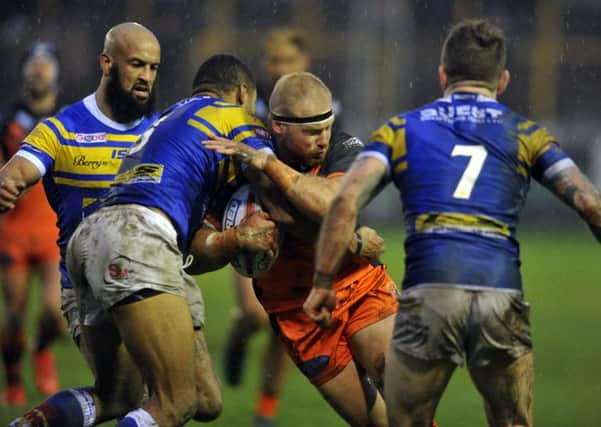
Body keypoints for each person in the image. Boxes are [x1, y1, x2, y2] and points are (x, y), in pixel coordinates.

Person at [306, 18, 601, 427]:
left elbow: (344, 203)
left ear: (443, 74)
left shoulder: (402, 129)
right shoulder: (526, 133)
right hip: (499, 293)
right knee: (514, 421)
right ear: (503, 81)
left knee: (406, 420)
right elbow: (590, 204)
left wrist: (322, 282)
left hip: (431, 291)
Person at [16, 53, 277, 427]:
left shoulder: (170, 121)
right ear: (240, 94)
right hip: (136, 239)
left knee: (187, 399)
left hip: (95, 240)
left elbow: (189, 250)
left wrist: (230, 240)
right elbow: (276, 180)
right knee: (176, 403)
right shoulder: (232, 117)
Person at [0, 22, 184, 427]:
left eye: (153, 68)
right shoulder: (62, 128)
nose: (146, 78)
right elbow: (21, 168)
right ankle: (17, 378)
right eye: (137, 65)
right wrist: (8, 181)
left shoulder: (160, 132)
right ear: (106, 63)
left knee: (197, 401)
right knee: (163, 400)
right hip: (88, 289)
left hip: (149, 276)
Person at [202, 71, 401, 427]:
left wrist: (268, 168)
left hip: (357, 285)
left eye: (327, 127)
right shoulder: (236, 164)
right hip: (297, 312)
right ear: (277, 126)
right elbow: (199, 252)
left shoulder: (344, 148)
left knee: (405, 400)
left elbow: (331, 205)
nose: (323, 139)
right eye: (311, 132)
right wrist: (233, 239)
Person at [0, 42, 64, 406]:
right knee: (13, 314)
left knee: (54, 314)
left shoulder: (67, 121)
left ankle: (42, 352)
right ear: (23, 72)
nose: (39, 70)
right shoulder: (6, 121)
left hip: (52, 231)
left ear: (56, 74)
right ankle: (12, 381)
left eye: (46, 64)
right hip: (13, 233)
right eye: (33, 64)